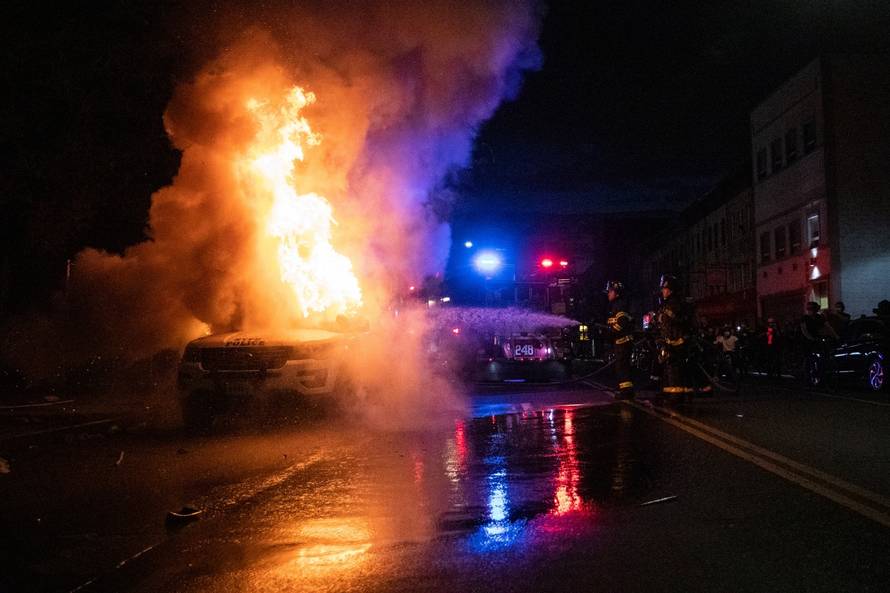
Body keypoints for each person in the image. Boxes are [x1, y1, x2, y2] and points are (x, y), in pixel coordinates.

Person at [656, 274, 699, 402]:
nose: (663, 291)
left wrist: (668, 339)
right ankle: (679, 393)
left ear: (671, 289)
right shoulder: (671, 303)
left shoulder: (674, 304)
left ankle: (677, 395)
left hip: (676, 342)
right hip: (674, 341)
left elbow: (672, 323)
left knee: (674, 368)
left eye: (665, 288)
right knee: (674, 368)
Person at [605, 280, 635, 400]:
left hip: (623, 341)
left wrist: (611, 333)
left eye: (610, 291)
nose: (608, 294)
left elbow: (621, 323)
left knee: (622, 368)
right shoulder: (615, 306)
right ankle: (626, 390)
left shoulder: (620, 305)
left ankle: (626, 392)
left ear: (617, 293)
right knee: (621, 367)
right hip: (620, 342)